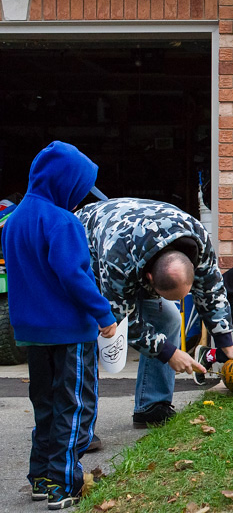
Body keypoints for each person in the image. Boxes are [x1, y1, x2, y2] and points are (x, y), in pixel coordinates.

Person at [1, 141, 117, 510]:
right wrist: (104, 315)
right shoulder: (63, 221)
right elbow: (74, 275)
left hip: (33, 332)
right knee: (75, 405)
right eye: (78, 188)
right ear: (64, 183)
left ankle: (40, 476)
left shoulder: (14, 220)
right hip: (69, 331)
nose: (79, 197)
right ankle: (64, 482)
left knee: (46, 403)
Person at [75, 198, 233, 427]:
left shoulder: (198, 239)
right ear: (149, 279)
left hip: (140, 251)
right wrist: (168, 351)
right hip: (89, 248)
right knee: (90, 330)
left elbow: (212, 290)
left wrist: (225, 343)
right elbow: (119, 318)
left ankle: (152, 408)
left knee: (169, 317)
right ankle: (79, 428)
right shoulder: (118, 258)